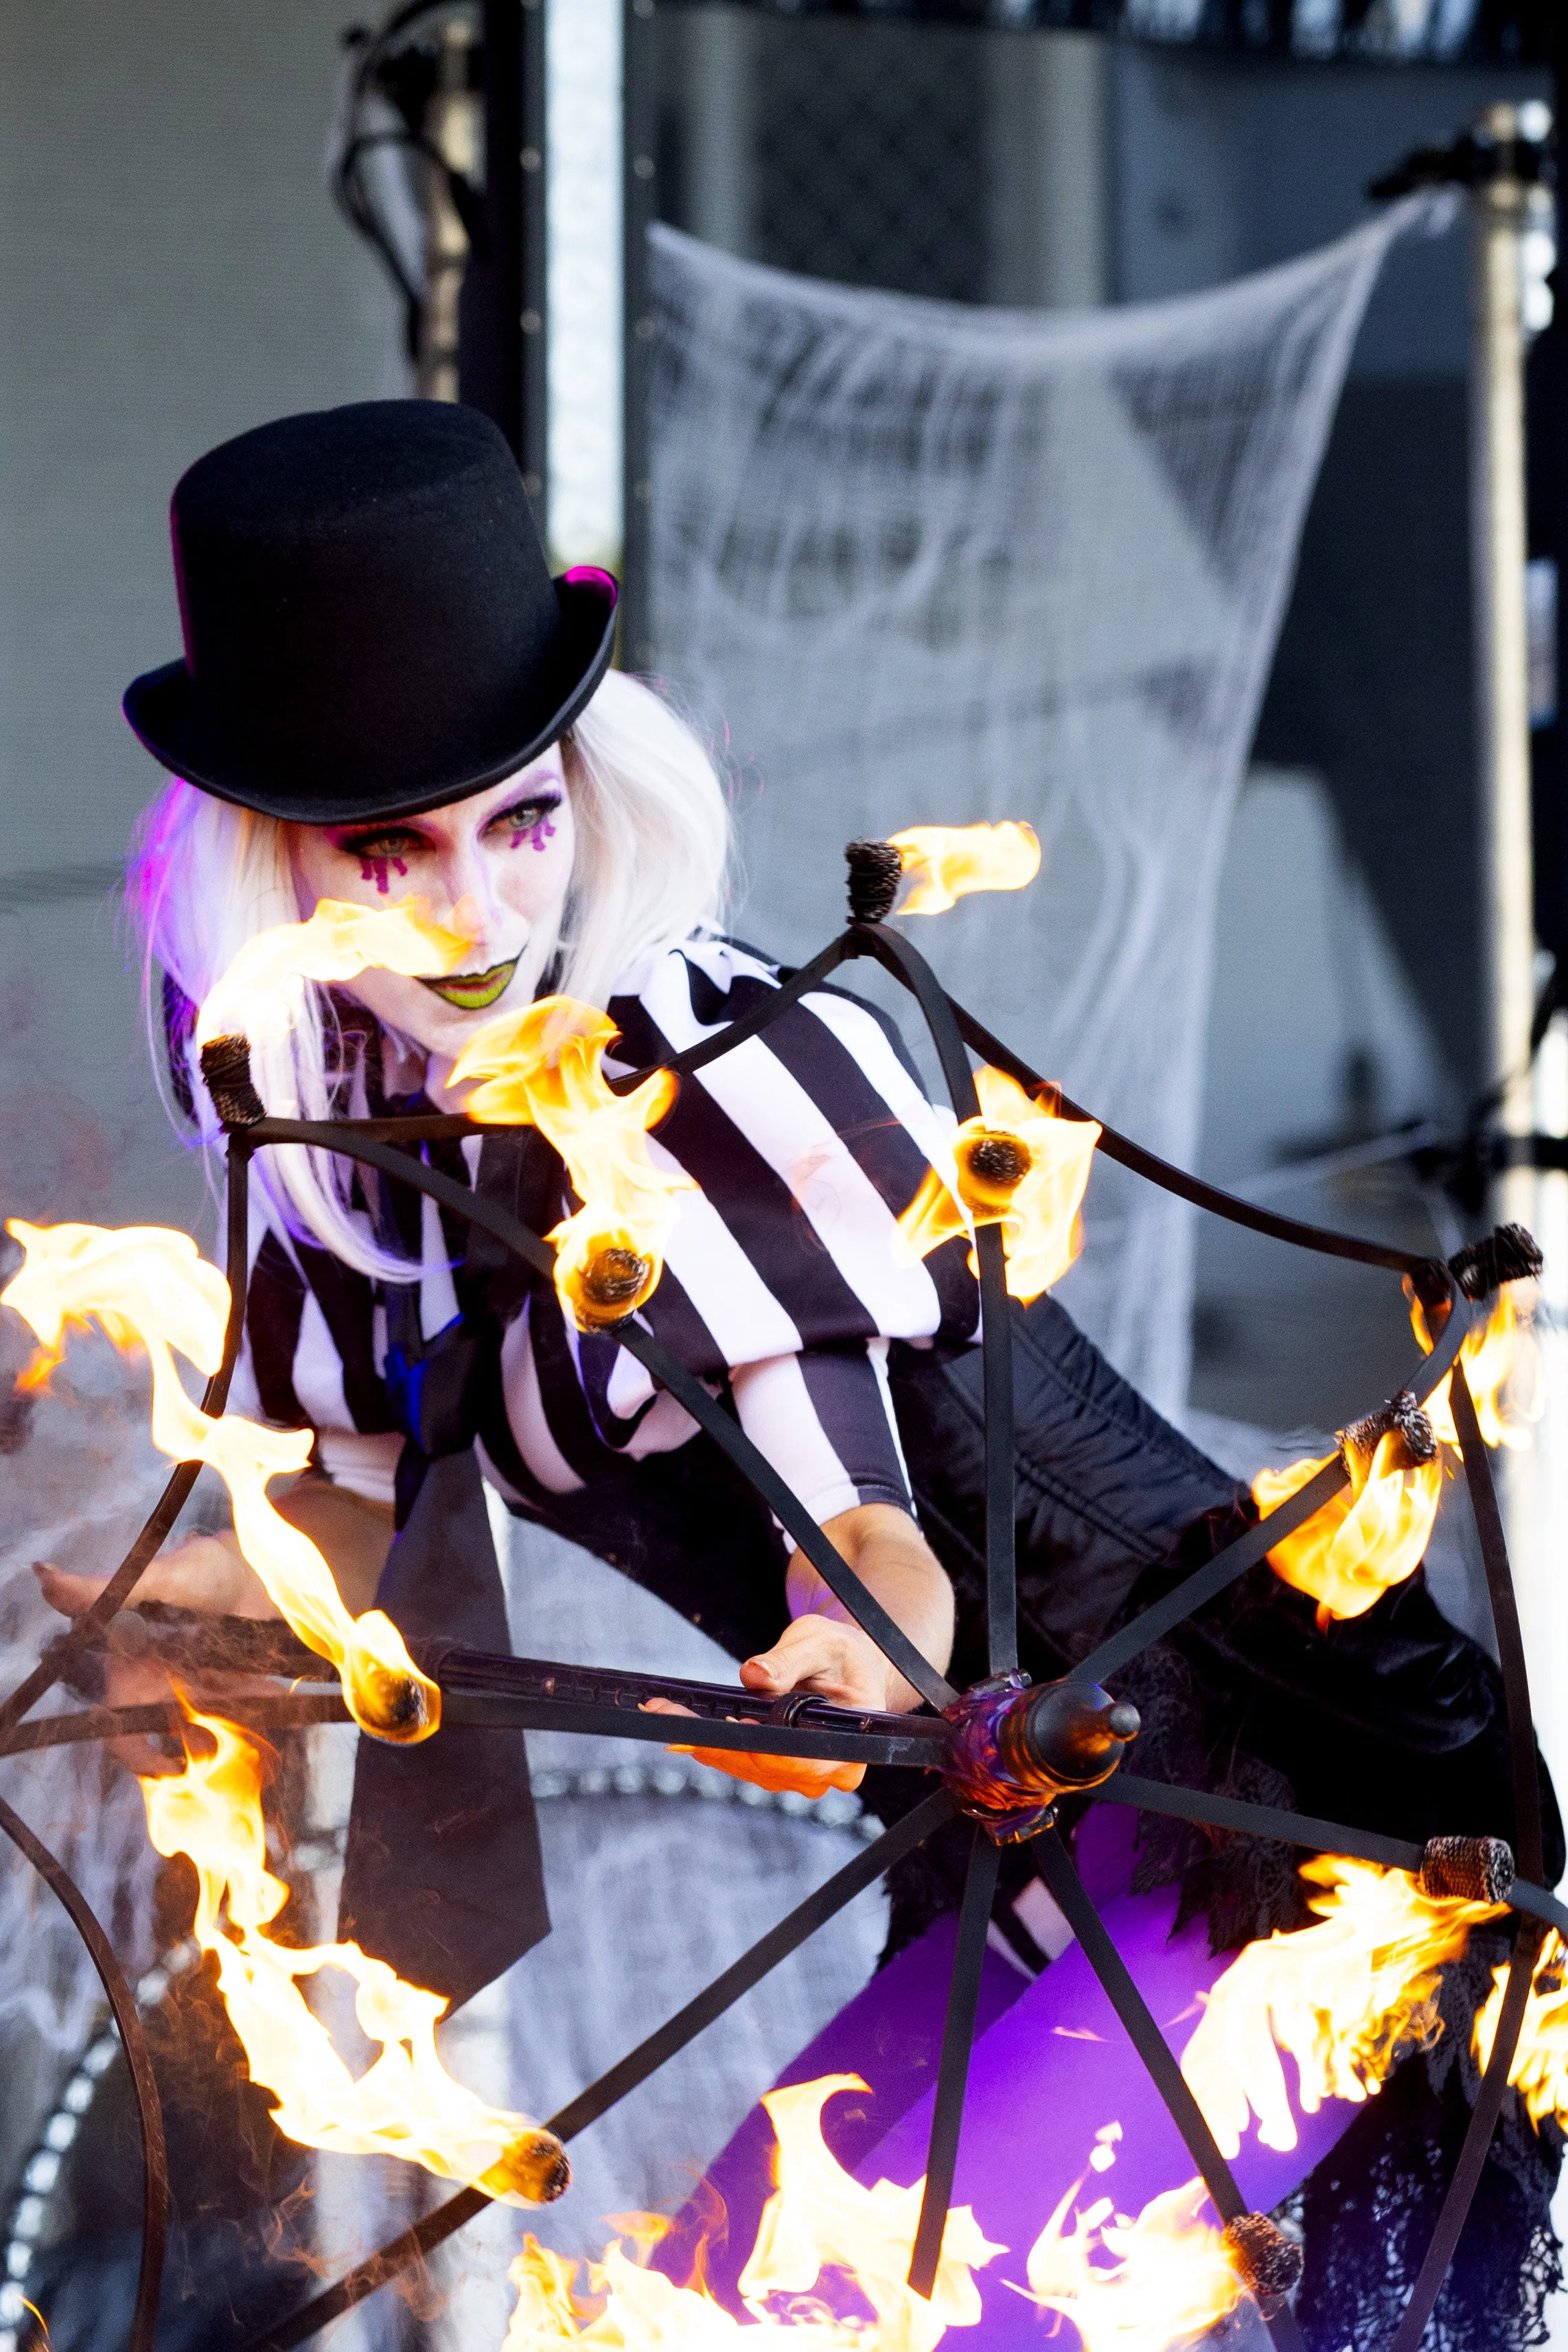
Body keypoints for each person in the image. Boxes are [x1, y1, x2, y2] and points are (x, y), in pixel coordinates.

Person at [35, 400, 1565, 2350]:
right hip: (1001, 1848)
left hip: (1262, 1824)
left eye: (518, 817)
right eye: (388, 849)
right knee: (700, 2315)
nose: (476, 907)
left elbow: (858, 1510)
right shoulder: (325, 1132)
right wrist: (185, 1619)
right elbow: (328, 1500)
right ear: (274, 863)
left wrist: (856, 1646)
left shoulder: (714, 1070)